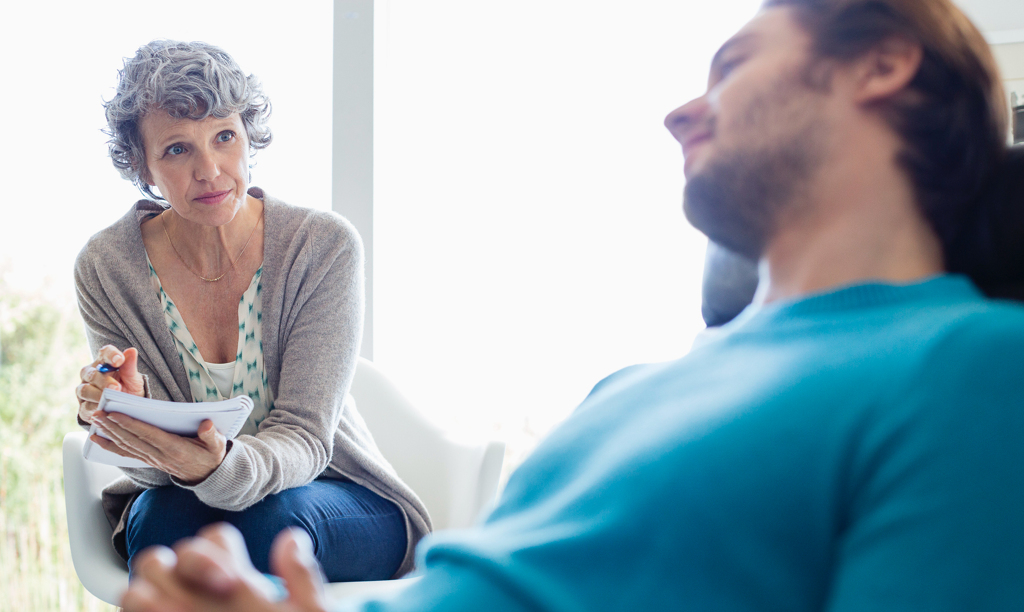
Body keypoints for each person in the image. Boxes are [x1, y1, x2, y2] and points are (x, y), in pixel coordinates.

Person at [121, 1, 1024, 610]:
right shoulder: (624, 392)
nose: (680, 112)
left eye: (734, 65)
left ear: (881, 64)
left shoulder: (973, 368)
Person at [73, 40, 431, 582]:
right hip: (186, 502)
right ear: (141, 165)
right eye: (176, 149)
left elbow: (307, 439)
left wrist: (216, 467)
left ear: (248, 137)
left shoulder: (322, 245)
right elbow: (148, 472)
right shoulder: (107, 265)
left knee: (265, 527)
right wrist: (124, 417)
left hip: (333, 495)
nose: (211, 170)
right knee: (153, 525)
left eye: (224, 137)